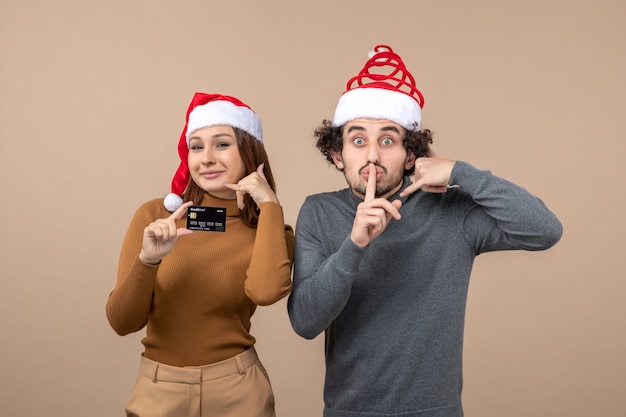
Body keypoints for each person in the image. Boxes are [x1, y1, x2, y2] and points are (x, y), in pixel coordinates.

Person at [287, 45, 563, 417]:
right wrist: (354, 245)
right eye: (357, 140)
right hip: (348, 411)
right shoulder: (319, 212)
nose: (372, 156)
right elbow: (305, 321)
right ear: (338, 155)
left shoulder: (451, 210)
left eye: (388, 140)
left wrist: (462, 173)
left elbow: (545, 230)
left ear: (411, 155)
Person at [106, 92, 293, 417]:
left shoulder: (268, 228)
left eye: (221, 144)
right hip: (159, 390)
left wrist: (270, 206)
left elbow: (264, 293)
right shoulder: (155, 217)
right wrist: (147, 260)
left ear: (250, 153)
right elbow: (122, 323)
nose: (205, 158)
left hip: (239, 390)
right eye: (196, 146)